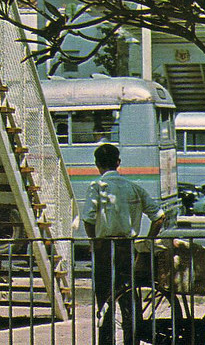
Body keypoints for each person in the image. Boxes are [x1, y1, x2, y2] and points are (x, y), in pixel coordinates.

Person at [81, 144, 165, 345]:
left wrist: (94, 241)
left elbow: (88, 219)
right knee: (129, 301)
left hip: (104, 250)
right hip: (128, 249)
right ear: (118, 162)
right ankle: (132, 341)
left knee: (105, 303)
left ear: (97, 164)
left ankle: (107, 342)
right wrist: (148, 241)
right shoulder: (133, 188)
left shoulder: (97, 187)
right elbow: (159, 216)